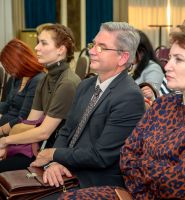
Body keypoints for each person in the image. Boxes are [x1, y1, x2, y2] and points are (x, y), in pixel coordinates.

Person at [62, 30, 185, 200]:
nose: (167, 66)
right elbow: (127, 153)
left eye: (178, 59)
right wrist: (155, 171)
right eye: (170, 58)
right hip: (134, 193)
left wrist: (142, 168)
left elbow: (180, 184)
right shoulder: (163, 104)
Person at [31, 21, 146, 199]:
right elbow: (66, 130)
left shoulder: (129, 96)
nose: (92, 51)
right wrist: (56, 162)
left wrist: (54, 154)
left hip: (97, 181)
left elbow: (101, 156)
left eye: (102, 47)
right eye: (93, 44)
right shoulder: (86, 85)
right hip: (69, 169)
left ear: (122, 57)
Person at [0, 24, 81, 172]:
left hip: (54, 155)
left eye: (43, 43)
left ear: (60, 50)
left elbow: (44, 132)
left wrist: (6, 141)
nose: (36, 48)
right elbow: (30, 123)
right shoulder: (46, 78)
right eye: (38, 42)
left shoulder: (67, 83)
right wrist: (8, 146)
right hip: (38, 146)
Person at [0, 38, 45, 135]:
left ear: (19, 62)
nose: (8, 71)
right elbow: (8, 104)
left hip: (14, 129)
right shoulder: (18, 77)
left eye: (10, 67)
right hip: (7, 122)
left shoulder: (37, 81)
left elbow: (23, 118)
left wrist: (2, 129)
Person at [130, 30, 164, 100]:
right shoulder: (132, 65)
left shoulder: (153, 68)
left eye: (130, 51)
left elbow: (152, 97)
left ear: (141, 52)